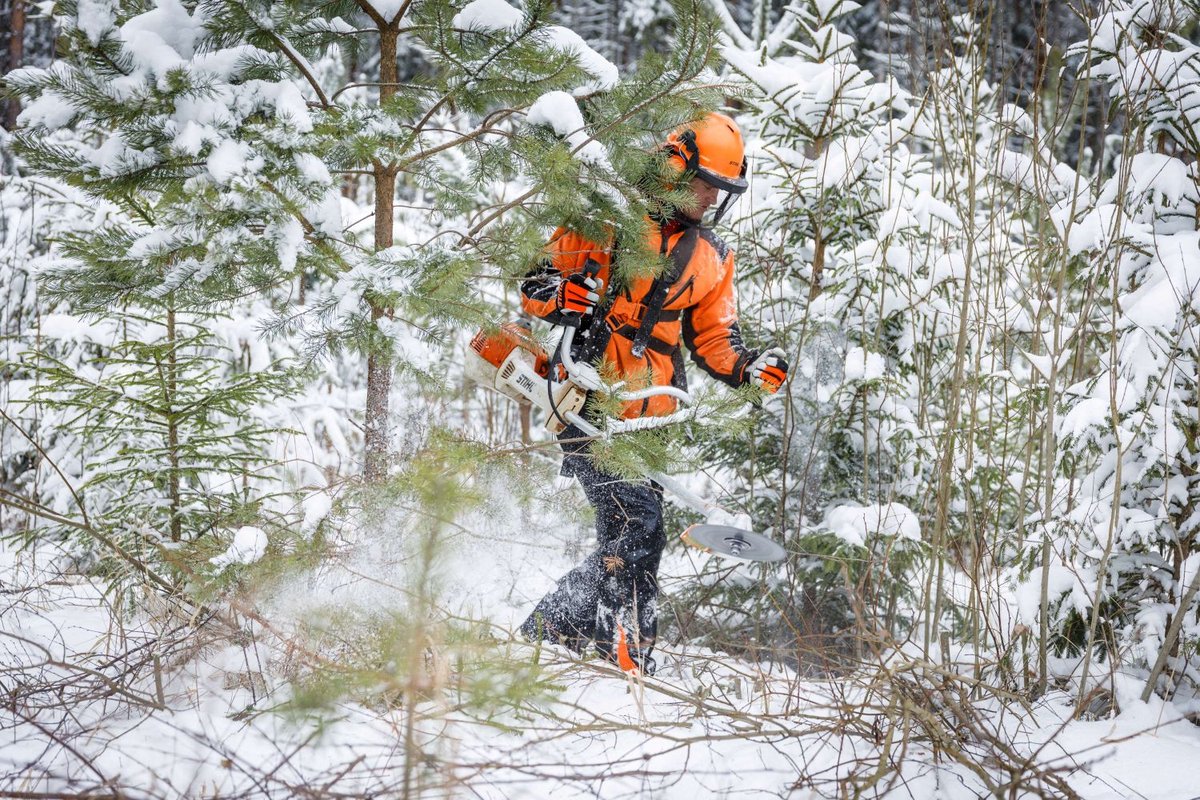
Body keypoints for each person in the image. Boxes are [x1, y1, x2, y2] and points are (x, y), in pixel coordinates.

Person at [517, 112, 788, 675]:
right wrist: (563, 294)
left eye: (721, 191)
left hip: (655, 411)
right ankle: (628, 649)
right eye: (704, 185)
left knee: (630, 529)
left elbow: (715, 335)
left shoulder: (711, 256)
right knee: (640, 525)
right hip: (586, 400)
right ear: (671, 168)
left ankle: (561, 630)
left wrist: (746, 367)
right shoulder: (605, 220)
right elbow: (536, 284)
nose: (711, 199)